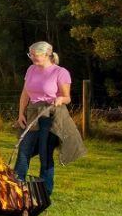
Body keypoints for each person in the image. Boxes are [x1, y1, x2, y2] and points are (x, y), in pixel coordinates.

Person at [15, 41, 87, 196]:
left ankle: (44, 191)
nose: (32, 57)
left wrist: (60, 99)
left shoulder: (60, 72)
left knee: (45, 153)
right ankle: (16, 186)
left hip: (51, 116)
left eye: (35, 54)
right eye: (30, 54)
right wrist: (21, 114)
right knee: (23, 150)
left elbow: (67, 97)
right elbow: (25, 94)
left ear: (47, 54)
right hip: (32, 114)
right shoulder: (31, 69)